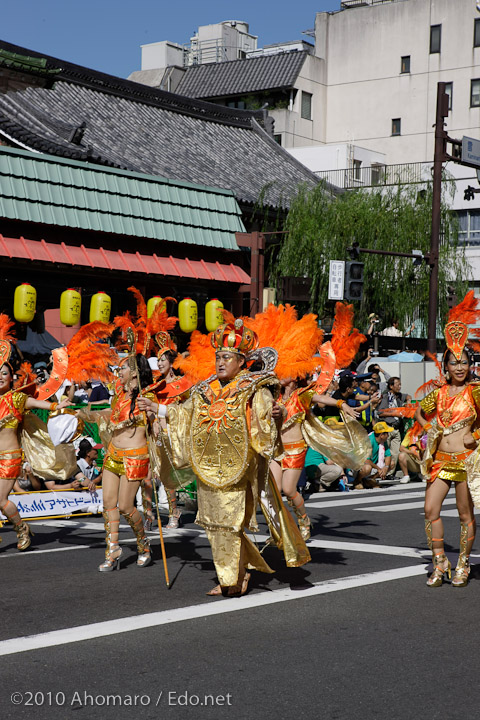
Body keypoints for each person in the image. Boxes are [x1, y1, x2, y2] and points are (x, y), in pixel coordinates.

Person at [139, 318, 283, 597]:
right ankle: (234, 573)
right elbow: (183, 414)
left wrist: (278, 416)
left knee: (231, 522)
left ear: (241, 361)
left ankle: (234, 577)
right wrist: (156, 408)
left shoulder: (254, 387)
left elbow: (267, 419)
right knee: (215, 524)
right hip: (208, 466)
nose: (220, 362)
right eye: (217, 357)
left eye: (226, 357)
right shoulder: (205, 389)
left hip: (238, 465)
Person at [415, 296, 480, 588]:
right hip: (440, 460)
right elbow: (419, 411)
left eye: (464, 362)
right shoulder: (439, 394)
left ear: (470, 364)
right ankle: (440, 562)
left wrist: (474, 435)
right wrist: (429, 426)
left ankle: (463, 564)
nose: (459, 367)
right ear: (446, 366)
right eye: (454, 363)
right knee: (431, 511)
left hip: (466, 460)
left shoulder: (476, 392)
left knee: (465, 515)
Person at [0, 318, 71, 549]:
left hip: (9, 458)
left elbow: (36, 401)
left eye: (4, 373)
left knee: (1, 500)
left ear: (11, 378)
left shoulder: (17, 398)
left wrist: (55, 406)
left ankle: (22, 529)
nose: (0, 376)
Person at [87, 353, 156, 572]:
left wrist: (154, 417)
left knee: (126, 506)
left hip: (135, 456)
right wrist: (84, 415)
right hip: (113, 454)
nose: (119, 373)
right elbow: (112, 416)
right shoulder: (118, 395)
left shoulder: (148, 395)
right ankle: (113, 549)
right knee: (108, 503)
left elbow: (156, 423)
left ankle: (143, 544)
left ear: (134, 372)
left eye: (123, 368)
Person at [270, 376, 359, 539]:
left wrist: (341, 404)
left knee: (289, 490)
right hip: (276, 451)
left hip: (295, 449)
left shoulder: (301, 394)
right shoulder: (273, 396)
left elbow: (322, 398)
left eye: (286, 374)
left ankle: (304, 520)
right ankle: (278, 529)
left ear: (294, 379)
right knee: (273, 492)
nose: (281, 377)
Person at [376, 376, 411, 476]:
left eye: (400, 385)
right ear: (391, 386)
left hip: (396, 428)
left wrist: (408, 401)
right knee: (385, 452)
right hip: (387, 427)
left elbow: (408, 396)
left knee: (395, 453)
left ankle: (389, 474)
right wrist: (394, 413)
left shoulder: (399, 396)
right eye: (397, 385)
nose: (399, 387)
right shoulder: (385, 397)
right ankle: (382, 472)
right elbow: (380, 413)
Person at [354, 422, 393, 489]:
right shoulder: (369, 441)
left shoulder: (383, 441)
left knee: (391, 463)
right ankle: (357, 481)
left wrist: (386, 467)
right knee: (367, 468)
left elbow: (388, 455)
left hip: (373, 464)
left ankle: (369, 480)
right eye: (387, 434)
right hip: (360, 466)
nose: (388, 436)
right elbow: (366, 460)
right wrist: (379, 469)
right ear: (382, 435)